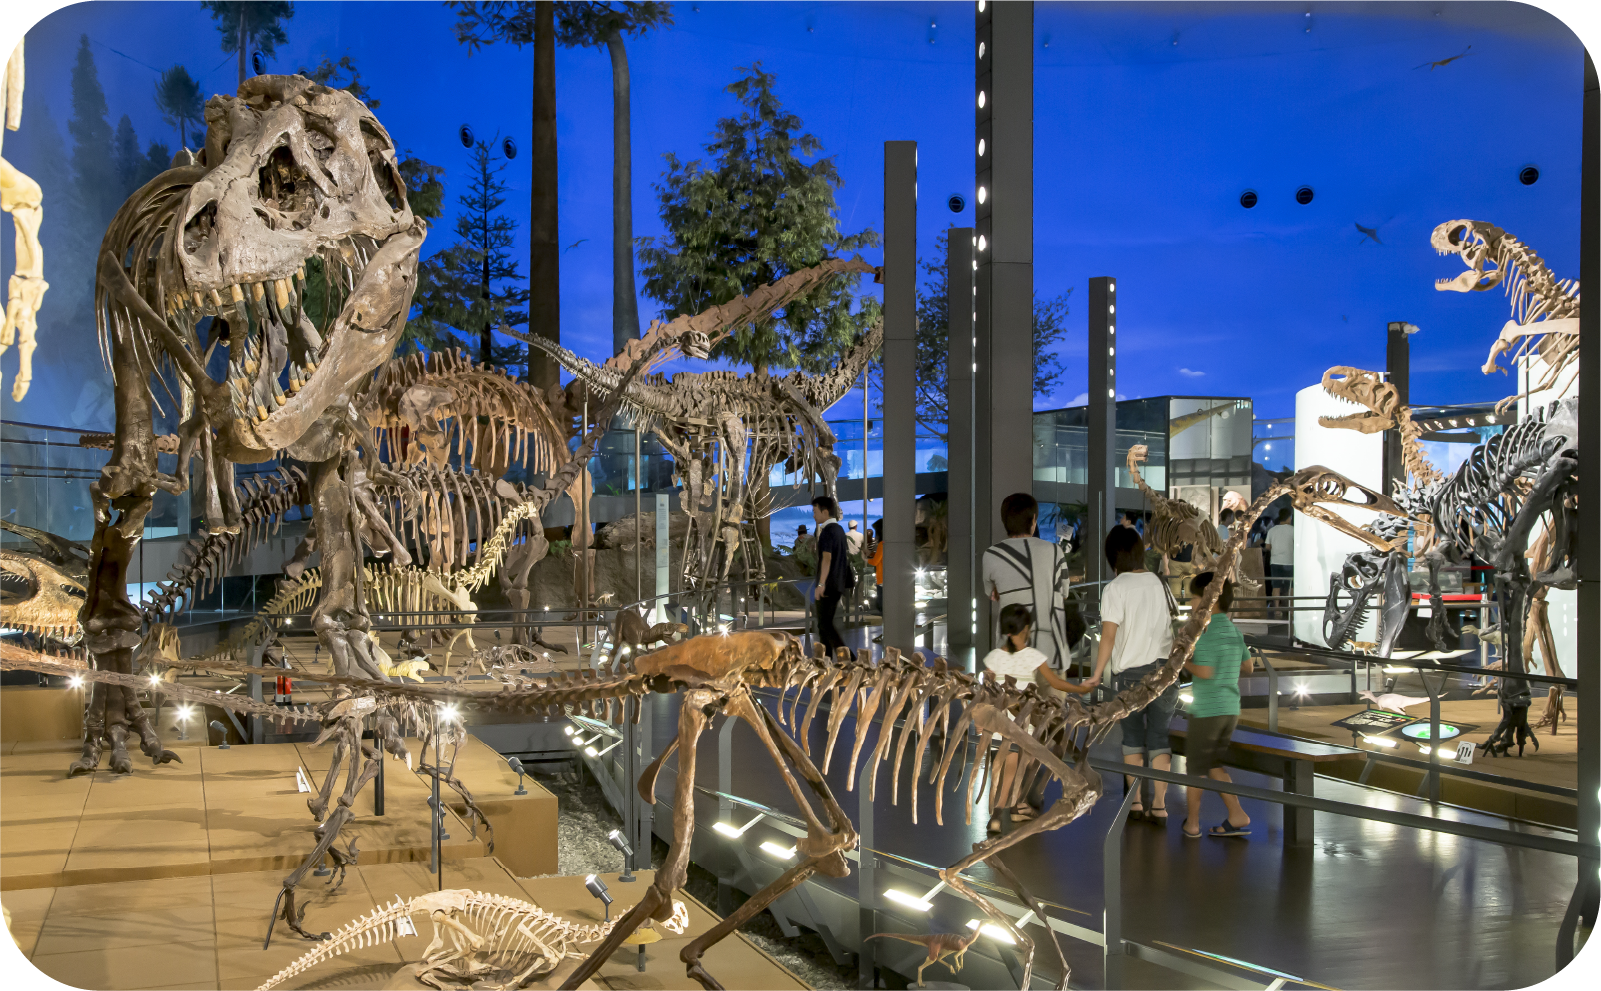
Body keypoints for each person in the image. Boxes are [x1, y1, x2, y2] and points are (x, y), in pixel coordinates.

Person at [1085, 525, 1178, 822]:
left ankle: (1136, 802)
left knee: (1133, 738)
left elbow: (1109, 636)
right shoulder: (1158, 582)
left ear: (1112, 556)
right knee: (1161, 736)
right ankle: (1161, 805)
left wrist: (1097, 673)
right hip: (1164, 672)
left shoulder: (1115, 588)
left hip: (1130, 676)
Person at [981, 603, 1093, 831]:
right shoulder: (1033, 656)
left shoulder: (993, 657)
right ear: (1027, 629)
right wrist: (1080, 690)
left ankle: (1013, 809)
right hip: (1020, 723)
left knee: (1011, 767)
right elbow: (1055, 682)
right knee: (1016, 766)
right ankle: (996, 815)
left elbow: (987, 685)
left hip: (1001, 720)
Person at [1180, 572, 1254, 839]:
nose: (1191, 602)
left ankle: (1193, 824)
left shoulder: (1208, 632)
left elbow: (1206, 672)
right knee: (1213, 764)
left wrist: (1183, 663)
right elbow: (1248, 666)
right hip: (1230, 708)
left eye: (1194, 596)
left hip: (1208, 709)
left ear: (1210, 599)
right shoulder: (1233, 630)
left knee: (1196, 769)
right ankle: (1237, 814)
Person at [982, 493, 1073, 669]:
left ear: (1005, 521)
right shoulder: (1055, 552)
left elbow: (992, 594)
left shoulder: (991, 555)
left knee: (1011, 697)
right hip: (1051, 653)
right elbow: (1064, 594)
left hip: (1011, 656)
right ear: (1033, 520)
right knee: (1052, 696)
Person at [811, 496, 853, 656]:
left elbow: (827, 559)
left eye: (815, 511)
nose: (814, 515)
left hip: (828, 585)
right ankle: (826, 659)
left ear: (825, 511)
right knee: (824, 625)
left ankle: (848, 657)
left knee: (825, 625)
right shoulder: (840, 530)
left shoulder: (828, 532)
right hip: (837, 584)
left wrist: (821, 585)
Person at [1265, 509, 1295, 619]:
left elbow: (1267, 546)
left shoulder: (1272, 530)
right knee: (1290, 587)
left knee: (1276, 587)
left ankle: (1277, 610)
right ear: (1288, 518)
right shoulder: (1293, 530)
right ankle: (1291, 610)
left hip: (1275, 562)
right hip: (1289, 562)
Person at [865, 519, 884, 613]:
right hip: (888, 579)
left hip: (882, 580)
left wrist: (866, 559)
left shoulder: (882, 544)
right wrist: (871, 554)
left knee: (881, 606)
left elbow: (875, 561)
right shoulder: (887, 544)